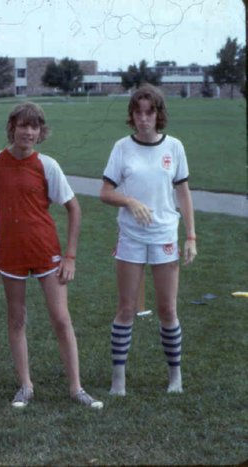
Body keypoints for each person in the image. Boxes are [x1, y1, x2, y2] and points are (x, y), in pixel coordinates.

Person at [0, 102, 103, 409]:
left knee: (61, 319)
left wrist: (70, 256)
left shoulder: (47, 165)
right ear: (12, 128)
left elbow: (74, 208)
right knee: (16, 319)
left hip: (45, 251)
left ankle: (76, 388)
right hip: (11, 253)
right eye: (23, 126)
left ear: (41, 132)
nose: (28, 132)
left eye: (34, 127)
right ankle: (25, 386)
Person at [100, 84, 196, 396]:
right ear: (132, 115)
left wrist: (190, 236)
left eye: (149, 112)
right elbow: (105, 192)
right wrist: (129, 201)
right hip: (130, 236)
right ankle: (118, 380)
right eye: (138, 112)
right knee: (126, 308)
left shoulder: (175, 147)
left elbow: (183, 193)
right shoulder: (121, 148)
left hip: (164, 235)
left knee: (167, 309)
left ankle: (175, 377)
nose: (143, 118)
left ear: (158, 114)